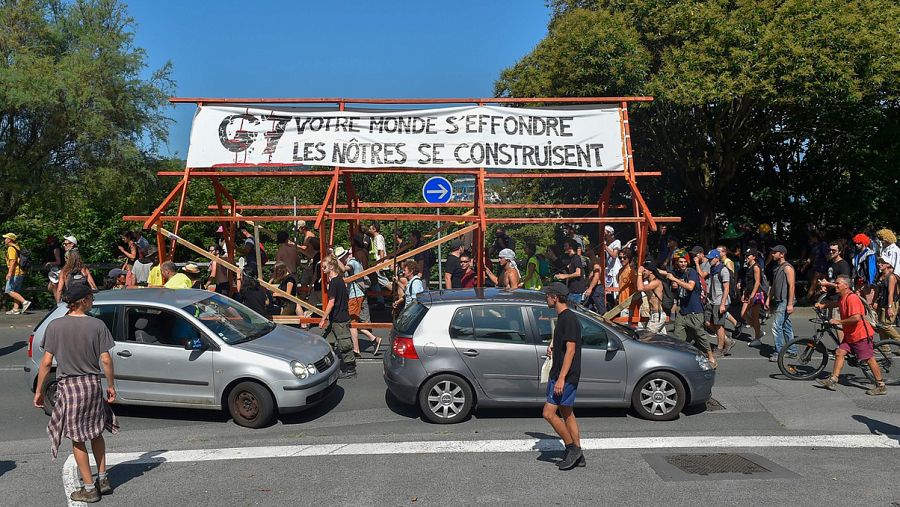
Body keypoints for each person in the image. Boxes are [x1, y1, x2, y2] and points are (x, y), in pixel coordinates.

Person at [33, 284, 118, 502]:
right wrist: (110, 385)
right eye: (91, 298)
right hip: (91, 385)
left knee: (78, 438)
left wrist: (40, 391)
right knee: (96, 432)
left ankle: (89, 488)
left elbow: (46, 362)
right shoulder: (97, 325)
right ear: (84, 300)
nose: (93, 301)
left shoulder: (55, 326)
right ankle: (103, 478)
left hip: (69, 386)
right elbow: (106, 359)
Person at [814, 275, 887, 396]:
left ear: (846, 286)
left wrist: (838, 322)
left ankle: (881, 385)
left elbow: (856, 318)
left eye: (838, 283)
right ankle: (833, 380)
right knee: (839, 352)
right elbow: (838, 304)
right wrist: (823, 306)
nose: (835, 285)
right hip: (850, 336)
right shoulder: (844, 297)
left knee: (869, 359)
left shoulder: (852, 298)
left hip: (860, 335)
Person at [541, 282, 584, 470]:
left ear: (555, 297)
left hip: (564, 376)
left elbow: (571, 351)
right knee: (567, 412)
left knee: (548, 413)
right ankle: (579, 455)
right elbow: (565, 347)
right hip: (561, 373)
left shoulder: (568, 319)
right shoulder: (563, 317)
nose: (546, 298)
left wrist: (561, 378)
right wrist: (553, 348)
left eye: (548, 295)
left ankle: (571, 448)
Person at [664, 253, 717, 368]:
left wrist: (674, 280)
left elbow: (690, 287)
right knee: (677, 336)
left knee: (700, 335)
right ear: (677, 263)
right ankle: (679, 361)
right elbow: (665, 273)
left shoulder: (691, 272)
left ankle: (711, 357)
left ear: (687, 262)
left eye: (684, 261)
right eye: (680, 262)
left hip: (695, 311)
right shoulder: (677, 273)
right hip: (682, 312)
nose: (682, 264)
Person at [337, 247, 382, 357]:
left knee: (352, 323)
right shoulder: (356, 262)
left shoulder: (352, 263)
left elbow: (343, 269)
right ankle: (367, 342)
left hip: (355, 295)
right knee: (354, 322)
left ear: (343, 257)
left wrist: (335, 259)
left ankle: (362, 346)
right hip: (359, 294)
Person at [320, 256, 356, 379]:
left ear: (331, 267)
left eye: (324, 266)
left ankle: (350, 369)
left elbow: (331, 302)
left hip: (339, 318)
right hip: (336, 318)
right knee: (326, 342)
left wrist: (323, 318)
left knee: (344, 344)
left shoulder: (334, 283)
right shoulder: (340, 280)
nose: (322, 268)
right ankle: (328, 364)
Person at [768, 245, 796, 361]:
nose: (773, 254)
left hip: (785, 300)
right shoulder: (778, 268)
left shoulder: (787, 267)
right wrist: (768, 298)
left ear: (782, 254)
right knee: (786, 326)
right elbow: (774, 286)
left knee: (776, 326)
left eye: (775, 252)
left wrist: (790, 304)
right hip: (780, 300)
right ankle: (792, 350)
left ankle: (778, 351)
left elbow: (792, 286)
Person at [706, 249, 735, 357]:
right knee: (707, 322)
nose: (709, 260)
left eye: (711, 258)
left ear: (717, 258)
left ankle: (719, 348)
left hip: (720, 301)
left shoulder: (723, 270)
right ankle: (727, 340)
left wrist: (723, 304)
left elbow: (726, 288)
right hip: (712, 300)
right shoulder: (713, 268)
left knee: (719, 326)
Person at [739, 249, 766, 347]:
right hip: (749, 293)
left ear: (754, 256)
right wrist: (744, 293)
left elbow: (757, 282)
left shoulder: (756, 267)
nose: (746, 257)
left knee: (755, 317)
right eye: (746, 255)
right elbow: (748, 283)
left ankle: (757, 338)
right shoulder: (748, 267)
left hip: (756, 295)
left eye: (748, 256)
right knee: (743, 314)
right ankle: (758, 332)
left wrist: (752, 295)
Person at [872, 257, 900, 341]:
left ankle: (898, 341)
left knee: (885, 324)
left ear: (888, 264)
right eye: (878, 262)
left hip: (890, 302)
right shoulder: (880, 276)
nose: (879, 264)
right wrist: (874, 301)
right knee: (880, 325)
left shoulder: (891, 277)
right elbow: (877, 290)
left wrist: (890, 307)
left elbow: (891, 293)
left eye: (882, 263)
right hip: (881, 302)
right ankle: (884, 346)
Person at [3, 232, 32, 315]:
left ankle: (25, 302)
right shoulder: (17, 247)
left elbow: (12, 261)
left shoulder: (11, 248)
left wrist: (9, 273)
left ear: (9, 239)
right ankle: (16, 309)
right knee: (16, 291)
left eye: (6, 238)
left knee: (8, 290)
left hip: (15, 272)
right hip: (20, 272)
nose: (4, 240)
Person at [637, 263, 666, 334]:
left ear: (650, 271)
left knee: (647, 336)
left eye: (644, 270)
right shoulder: (650, 283)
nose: (643, 272)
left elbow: (640, 288)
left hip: (657, 315)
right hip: (654, 314)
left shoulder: (656, 282)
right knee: (663, 340)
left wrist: (639, 273)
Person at [554, 240, 585, 305]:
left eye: (565, 246)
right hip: (572, 290)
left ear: (570, 248)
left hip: (576, 291)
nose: (564, 248)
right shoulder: (572, 259)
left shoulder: (576, 258)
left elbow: (578, 273)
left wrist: (564, 276)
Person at [581, 244, 605, 315]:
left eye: (587, 250)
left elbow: (596, 277)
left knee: (602, 311)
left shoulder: (595, 262)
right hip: (593, 289)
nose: (585, 252)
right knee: (586, 309)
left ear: (592, 250)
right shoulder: (591, 261)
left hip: (597, 289)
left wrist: (590, 288)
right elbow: (591, 276)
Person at [603, 226, 622, 307]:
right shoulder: (606, 242)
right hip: (609, 270)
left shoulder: (616, 242)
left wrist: (606, 247)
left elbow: (614, 255)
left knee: (616, 290)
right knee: (608, 291)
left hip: (615, 269)